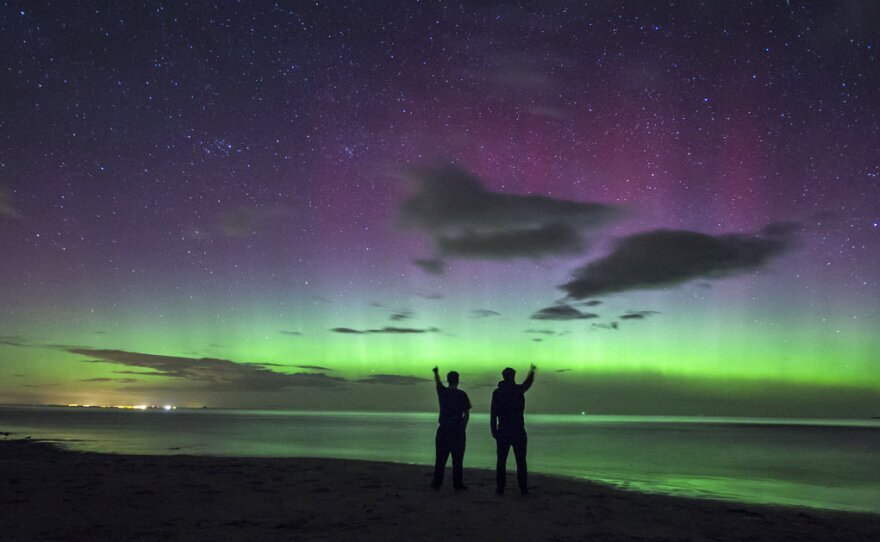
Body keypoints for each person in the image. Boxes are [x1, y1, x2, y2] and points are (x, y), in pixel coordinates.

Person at [490, 364, 536, 495]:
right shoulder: (517, 390)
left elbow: (493, 413)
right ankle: (523, 489)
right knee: (520, 461)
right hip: (517, 430)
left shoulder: (498, 392)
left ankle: (500, 488)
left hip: (503, 430)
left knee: (502, 461)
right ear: (511, 376)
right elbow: (528, 383)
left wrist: (493, 430)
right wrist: (531, 371)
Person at [430, 366, 471, 490]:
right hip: (457, 430)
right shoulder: (462, 394)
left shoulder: (443, 393)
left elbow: (437, 383)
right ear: (458, 380)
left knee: (440, 459)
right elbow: (467, 414)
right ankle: (457, 484)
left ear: (448, 380)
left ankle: (437, 483)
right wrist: (463, 427)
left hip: (444, 430)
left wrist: (436, 373)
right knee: (457, 460)